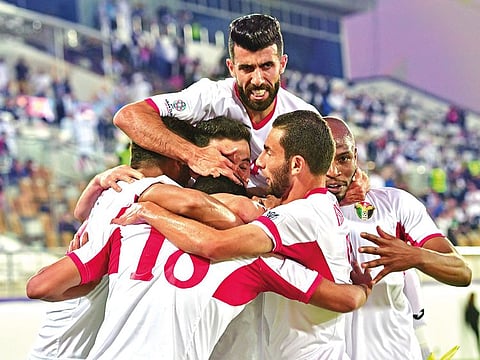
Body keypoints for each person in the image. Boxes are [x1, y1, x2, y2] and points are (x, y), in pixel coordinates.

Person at [27, 115, 372, 359]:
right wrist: (362, 291)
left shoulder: (121, 223)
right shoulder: (258, 256)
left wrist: (136, 205)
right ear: (190, 163)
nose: (254, 166)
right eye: (230, 160)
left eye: (263, 154)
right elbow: (218, 233)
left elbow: (39, 287)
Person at [112, 13, 319, 189]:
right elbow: (128, 116)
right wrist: (193, 155)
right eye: (246, 68)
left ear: (282, 64)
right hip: (213, 212)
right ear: (231, 68)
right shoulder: (210, 97)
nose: (257, 80)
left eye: (266, 66)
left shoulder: (304, 118)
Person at [323, 115, 472, 360]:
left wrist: (414, 256)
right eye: (325, 159)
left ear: (356, 158)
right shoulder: (297, 214)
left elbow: (462, 272)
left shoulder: (395, 204)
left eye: (344, 159)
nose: (334, 171)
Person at [465, 292, 480, 357]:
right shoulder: (470, 306)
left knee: (477, 339)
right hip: (473, 324)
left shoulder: (471, 305)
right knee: (477, 339)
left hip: (474, 324)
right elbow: (469, 317)